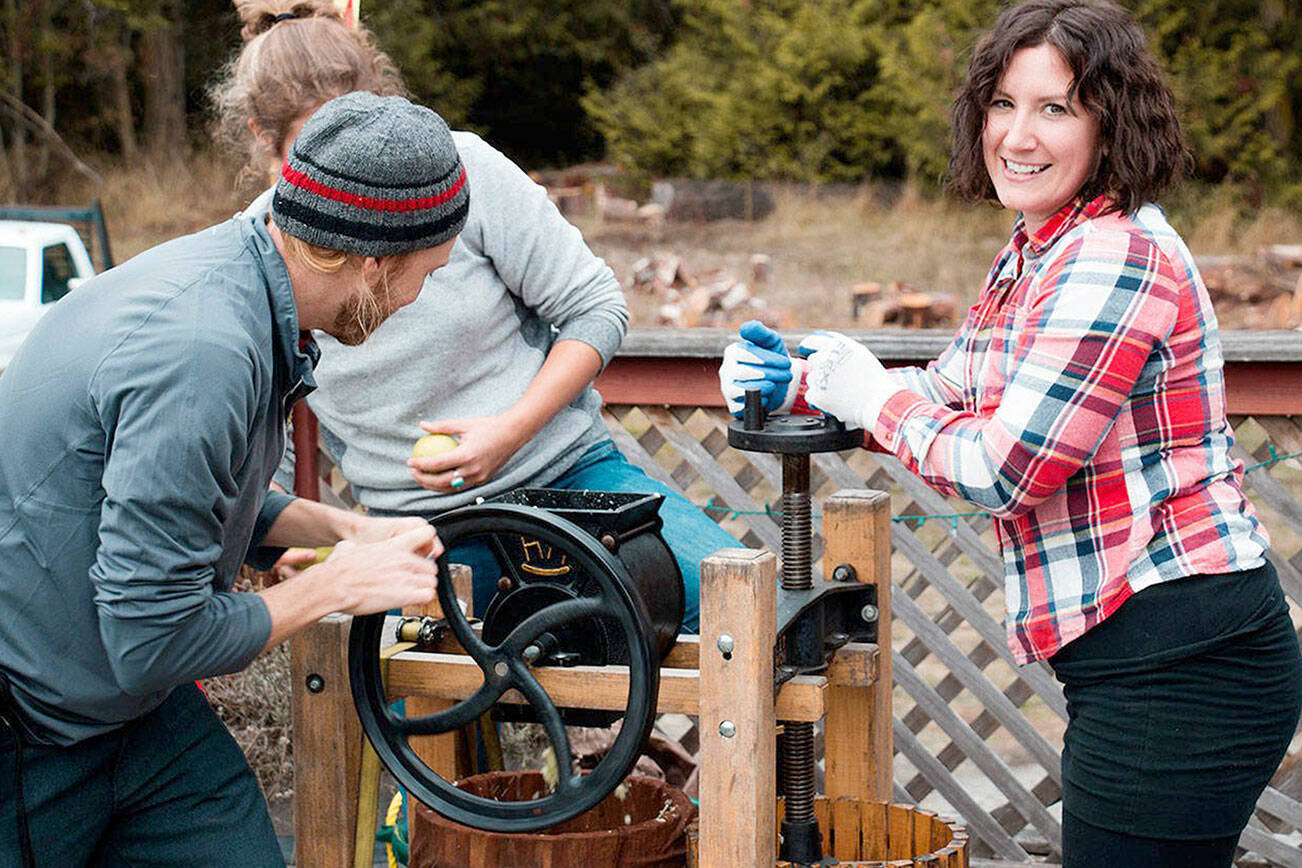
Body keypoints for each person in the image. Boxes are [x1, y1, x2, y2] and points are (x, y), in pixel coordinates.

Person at [720, 1, 1302, 865]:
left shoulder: (1113, 254)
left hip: (1186, 662)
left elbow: (1004, 465)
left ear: (1112, 126)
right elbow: (953, 390)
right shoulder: (1037, 246)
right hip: (1140, 658)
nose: (1018, 136)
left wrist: (868, 395)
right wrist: (803, 379)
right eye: (1003, 103)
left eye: (1055, 109)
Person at [0, 91, 470, 867]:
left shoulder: (242, 274)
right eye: (429, 272)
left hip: (129, 712)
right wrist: (330, 587)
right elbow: (151, 638)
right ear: (374, 262)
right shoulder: (203, 352)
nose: (421, 297)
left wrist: (342, 531)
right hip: (32, 723)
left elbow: (177, 497)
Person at [210, 0, 739, 629]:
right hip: (418, 532)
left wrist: (511, 430)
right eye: (317, 154)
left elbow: (595, 307)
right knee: (414, 714)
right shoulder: (252, 250)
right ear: (260, 140)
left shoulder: (467, 171)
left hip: (570, 482)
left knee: (743, 609)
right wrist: (315, 538)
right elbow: (247, 444)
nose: (348, 183)